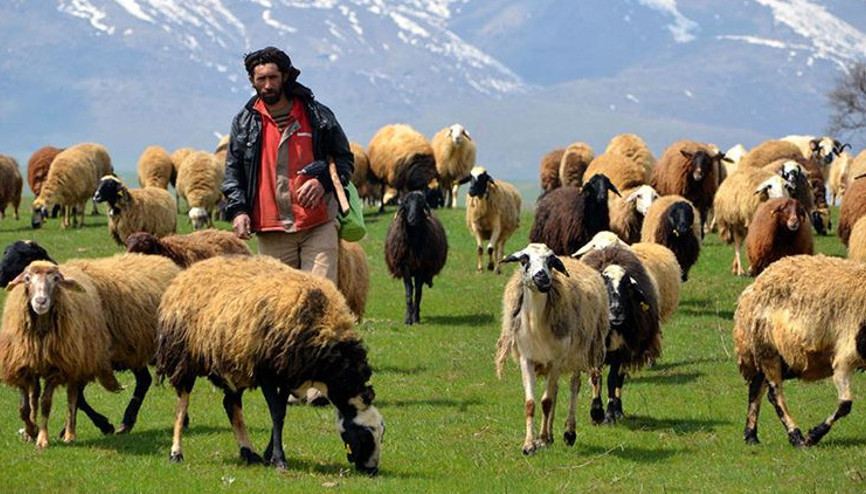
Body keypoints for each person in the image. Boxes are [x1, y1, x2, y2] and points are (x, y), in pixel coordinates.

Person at [222, 46, 354, 286]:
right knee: (279, 306)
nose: (268, 85)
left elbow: (344, 159)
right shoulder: (244, 122)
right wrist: (239, 210)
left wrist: (322, 181)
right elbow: (233, 172)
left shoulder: (316, 115)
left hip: (318, 223)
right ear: (252, 81)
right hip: (271, 230)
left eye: (273, 77)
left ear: (285, 76)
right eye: (261, 79)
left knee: (319, 298)